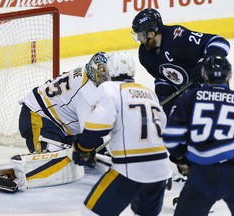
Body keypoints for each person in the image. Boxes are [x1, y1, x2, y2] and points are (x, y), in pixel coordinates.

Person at [72, 51, 172, 215]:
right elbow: (163, 128)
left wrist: (83, 148)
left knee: (90, 211)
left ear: (110, 70)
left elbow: (97, 126)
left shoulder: (109, 88)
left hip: (130, 168)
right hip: (161, 169)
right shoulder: (149, 93)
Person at [163, 55, 234, 216]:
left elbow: (171, 136)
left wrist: (181, 159)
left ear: (204, 74)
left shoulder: (189, 98)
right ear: (229, 75)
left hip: (202, 173)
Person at [131, 8, 231, 116]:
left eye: (140, 35)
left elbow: (220, 42)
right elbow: (164, 78)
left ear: (151, 33)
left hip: (215, 91)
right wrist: (164, 94)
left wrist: (205, 64)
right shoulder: (145, 56)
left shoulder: (178, 38)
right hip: (191, 98)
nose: (138, 39)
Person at [19, 52, 110, 153]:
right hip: (38, 116)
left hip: (61, 125)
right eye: (102, 76)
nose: (106, 80)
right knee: (52, 163)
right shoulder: (85, 92)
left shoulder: (86, 71)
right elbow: (90, 133)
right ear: (94, 72)